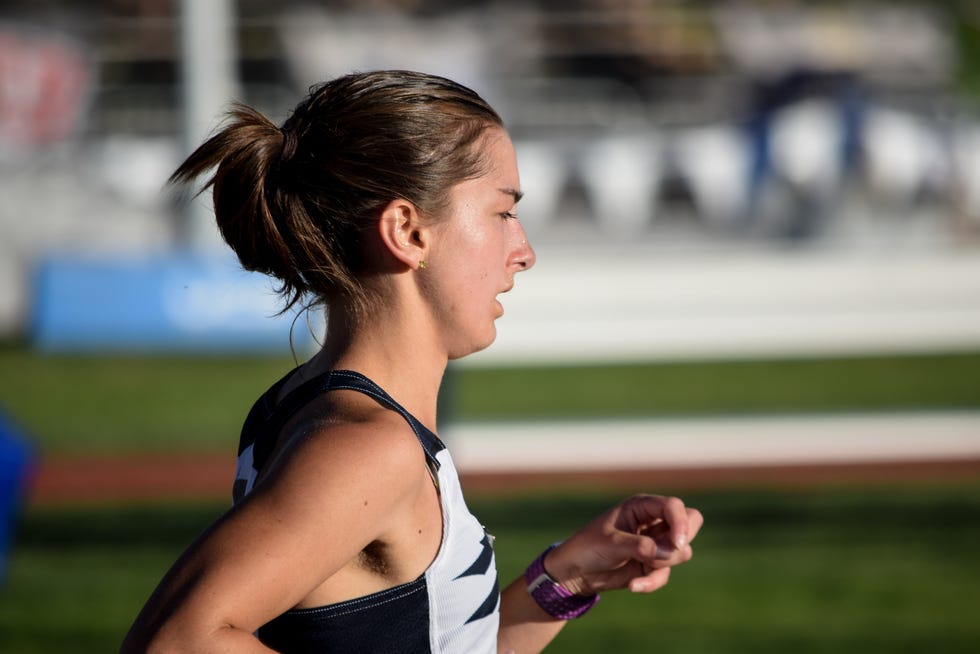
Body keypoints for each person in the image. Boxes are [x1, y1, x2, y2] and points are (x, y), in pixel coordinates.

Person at [121, 70, 703, 654]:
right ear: (408, 231)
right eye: (503, 213)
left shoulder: (317, 406)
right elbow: (178, 641)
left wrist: (568, 579)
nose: (524, 252)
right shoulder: (368, 449)